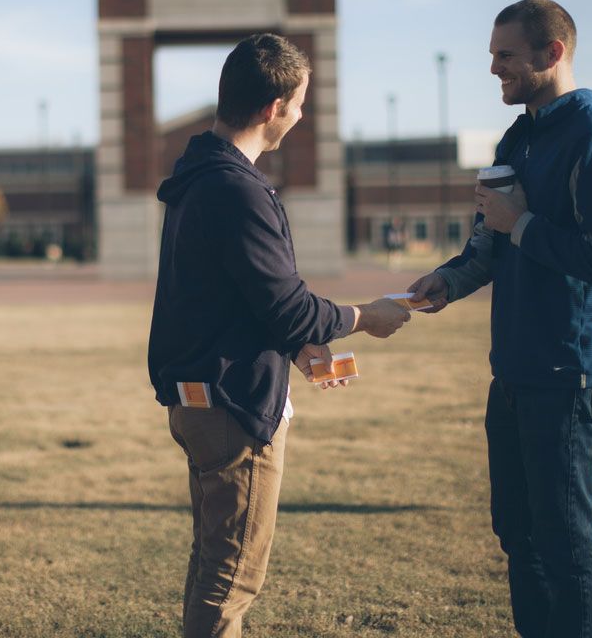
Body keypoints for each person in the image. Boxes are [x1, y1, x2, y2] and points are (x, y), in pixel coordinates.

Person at [148, 33, 411, 638]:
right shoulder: (236, 189)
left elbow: (242, 297)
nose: (300, 116)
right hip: (233, 406)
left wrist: (298, 349)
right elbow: (291, 306)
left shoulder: (199, 178)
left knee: (215, 561)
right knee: (232, 577)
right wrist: (365, 316)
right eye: (299, 104)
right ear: (274, 108)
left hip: (204, 398)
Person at [408, 0, 592, 638]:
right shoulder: (519, 136)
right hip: (512, 369)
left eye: (505, 56)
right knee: (519, 533)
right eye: (492, 55)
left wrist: (525, 225)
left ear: (552, 53)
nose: (493, 69)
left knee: (565, 544)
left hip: (570, 375)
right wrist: (448, 281)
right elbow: (492, 242)